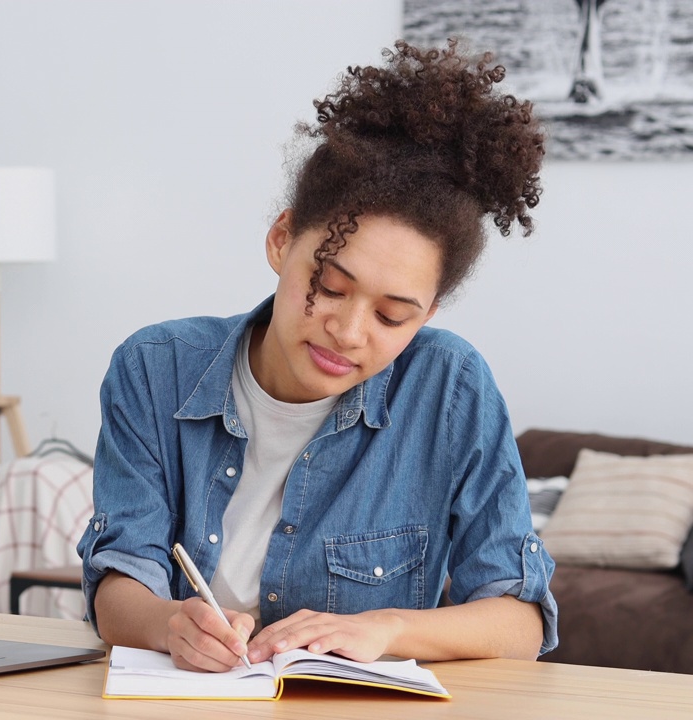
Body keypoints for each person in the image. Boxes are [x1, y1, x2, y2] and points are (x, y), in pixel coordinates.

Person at [77, 39, 558, 672]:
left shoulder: (450, 387)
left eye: (392, 316)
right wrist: (169, 624)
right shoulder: (155, 368)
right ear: (281, 241)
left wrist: (385, 629)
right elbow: (118, 581)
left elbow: (519, 619)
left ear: (428, 314)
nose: (350, 331)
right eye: (329, 287)